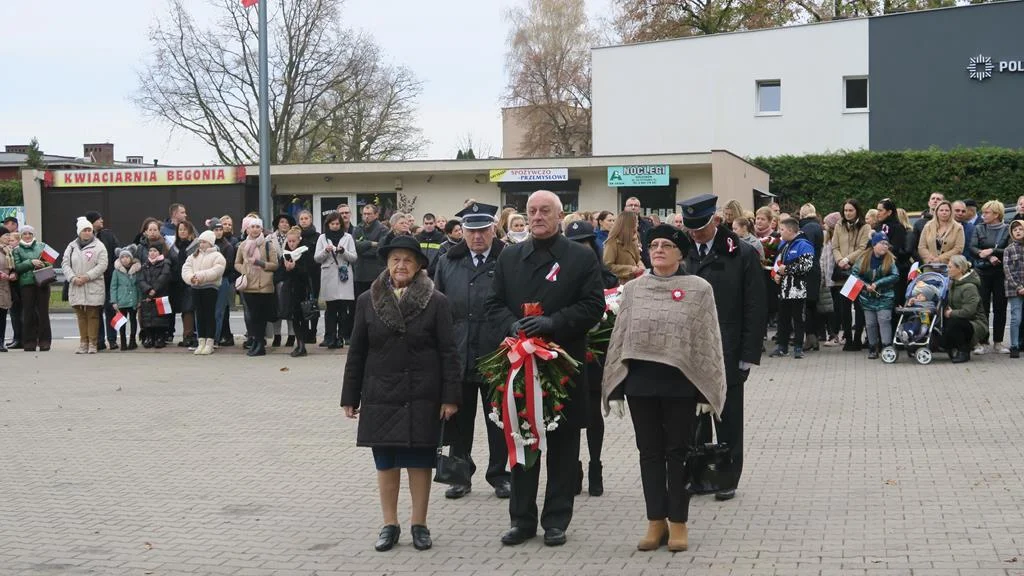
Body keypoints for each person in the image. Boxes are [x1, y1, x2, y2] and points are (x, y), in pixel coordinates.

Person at [485, 190, 604, 547]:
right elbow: (493, 303)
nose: (537, 217)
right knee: (523, 443)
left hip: (562, 364)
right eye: (532, 211)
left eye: (545, 211)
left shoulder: (580, 257)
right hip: (519, 365)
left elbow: (594, 306)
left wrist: (553, 323)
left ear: (559, 215)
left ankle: (556, 520)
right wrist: (512, 327)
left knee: (564, 446)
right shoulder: (509, 257)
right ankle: (522, 520)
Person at [603, 224, 726, 552]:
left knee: (678, 453)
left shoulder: (699, 289)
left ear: (680, 253)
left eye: (666, 246)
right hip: (641, 383)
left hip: (680, 385)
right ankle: (655, 520)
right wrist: (615, 389)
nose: (658, 250)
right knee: (649, 454)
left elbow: (707, 341)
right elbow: (619, 339)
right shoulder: (633, 289)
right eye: (653, 245)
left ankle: (679, 522)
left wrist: (706, 391)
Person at [341, 234, 460, 552]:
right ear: (387, 264)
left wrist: (450, 396)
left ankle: (419, 524)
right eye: (395, 259)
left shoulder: (437, 301)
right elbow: (357, 352)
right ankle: (389, 525)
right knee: (386, 463)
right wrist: (350, 396)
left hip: (423, 395)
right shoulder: (368, 299)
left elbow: (450, 352)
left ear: (420, 265)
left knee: (420, 463)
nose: (401, 265)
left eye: (408, 259)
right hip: (380, 393)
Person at [681, 194, 765, 500]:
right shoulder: (682, 252)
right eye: (691, 228)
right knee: (692, 419)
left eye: (700, 228)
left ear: (715, 221)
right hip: (689, 350)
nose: (695, 234)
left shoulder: (740, 254)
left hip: (727, 347)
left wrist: (748, 355)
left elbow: (755, 307)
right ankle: (698, 476)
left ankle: (727, 477)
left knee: (728, 418)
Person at [433, 202, 511, 501]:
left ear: (494, 229)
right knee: (458, 420)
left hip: (496, 352)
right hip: (458, 351)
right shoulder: (447, 261)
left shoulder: (508, 260)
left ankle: (499, 475)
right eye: (471, 231)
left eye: (483, 230)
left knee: (498, 420)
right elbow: (437, 307)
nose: (477, 237)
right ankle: (459, 474)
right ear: (462, 233)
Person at [564, 220, 618, 497]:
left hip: (595, 354)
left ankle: (595, 466)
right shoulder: (557, 274)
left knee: (594, 412)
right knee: (570, 413)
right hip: (566, 352)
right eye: (574, 243)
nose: (580, 248)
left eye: (585, 242)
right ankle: (573, 468)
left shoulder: (606, 277)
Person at [969, 200, 1010, 355]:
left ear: (996, 214)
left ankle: (998, 342)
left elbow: (1009, 249)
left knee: (1000, 307)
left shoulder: (1007, 229)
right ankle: (982, 341)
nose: (983, 215)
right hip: (982, 273)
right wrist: (985, 255)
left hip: (1001, 273)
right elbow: (972, 247)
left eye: (986, 212)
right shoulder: (979, 228)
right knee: (982, 308)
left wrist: (992, 252)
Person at [769, 218, 814, 359]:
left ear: (790, 230)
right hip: (784, 289)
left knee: (798, 319)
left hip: (798, 289)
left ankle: (798, 347)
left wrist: (786, 269)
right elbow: (778, 264)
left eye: (781, 230)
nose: (779, 232)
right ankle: (782, 347)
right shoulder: (785, 245)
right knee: (783, 319)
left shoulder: (804, 245)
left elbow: (806, 266)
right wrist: (776, 275)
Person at [235, 218, 280, 357]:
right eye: (252, 226)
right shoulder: (243, 245)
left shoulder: (267, 244)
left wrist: (260, 263)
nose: (254, 229)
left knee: (261, 317)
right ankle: (255, 342)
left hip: (264, 286)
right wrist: (245, 270)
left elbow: (275, 265)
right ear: (247, 229)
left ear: (261, 229)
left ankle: (260, 344)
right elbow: (237, 263)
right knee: (252, 318)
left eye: (257, 227)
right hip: (248, 285)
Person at [831, 199, 871, 351]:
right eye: (846, 210)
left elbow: (863, 248)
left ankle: (857, 338)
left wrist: (848, 259)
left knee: (859, 307)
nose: (847, 213)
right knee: (844, 307)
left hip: (857, 271)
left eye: (851, 210)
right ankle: (847, 337)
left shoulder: (865, 227)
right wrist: (840, 260)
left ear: (857, 211)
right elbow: (834, 246)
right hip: (842, 272)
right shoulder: (839, 225)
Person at [851, 232, 898, 360]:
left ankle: (886, 347)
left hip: (885, 296)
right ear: (874, 245)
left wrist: (877, 283)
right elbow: (854, 274)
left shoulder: (890, 260)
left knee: (884, 320)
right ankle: (872, 347)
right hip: (867, 296)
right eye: (881, 243)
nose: (885, 246)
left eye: (886, 244)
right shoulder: (863, 259)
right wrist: (865, 285)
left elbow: (895, 276)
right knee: (870, 323)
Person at [315, 212, 358, 349]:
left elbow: (354, 257)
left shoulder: (348, 237)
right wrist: (326, 251)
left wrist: (343, 251)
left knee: (343, 309)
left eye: (337, 224)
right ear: (328, 224)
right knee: (330, 309)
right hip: (329, 275)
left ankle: (341, 337)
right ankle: (329, 337)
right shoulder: (322, 238)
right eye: (332, 224)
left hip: (343, 275)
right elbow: (317, 258)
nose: (335, 226)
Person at [182, 230, 226, 356]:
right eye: (200, 242)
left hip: (210, 288)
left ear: (211, 243)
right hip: (196, 288)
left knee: (209, 314)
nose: (201, 244)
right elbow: (186, 268)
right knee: (199, 315)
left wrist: (200, 276)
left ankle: (210, 342)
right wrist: (191, 278)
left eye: (204, 242)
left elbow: (217, 271)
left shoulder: (218, 256)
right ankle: (201, 341)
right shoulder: (193, 255)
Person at [12, 225, 55, 352]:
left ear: (33, 234)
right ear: (21, 235)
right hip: (26, 284)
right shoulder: (17, 250)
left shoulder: (42, 246)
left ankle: (45, 342)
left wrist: (43, 263)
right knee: (28, 313)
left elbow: (50, 262)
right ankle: (29, 342)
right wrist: (31, 262)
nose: (27, 236)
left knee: (43, 313)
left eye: (29, 233)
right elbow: (17, 267)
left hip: (42, 282)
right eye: (24, 233)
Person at [84, 211, 119, 351]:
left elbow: (116, 251)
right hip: (93, 280)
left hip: (109, 278)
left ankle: (112, 339)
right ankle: (98, 340)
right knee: (96, 310)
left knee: (110, 309)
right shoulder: (85, 238)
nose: (102, 221)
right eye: (99, 219)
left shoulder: (108, 235)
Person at [944, 255, 988, 363]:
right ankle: (952, 348)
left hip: (975, 322)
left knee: (954, 323)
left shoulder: (970, 287)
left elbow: (969, 311)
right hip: (961, 319)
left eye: (950, 267)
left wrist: (951, 313)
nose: (947, 269)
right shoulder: (952, 283)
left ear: (959, 269)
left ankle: (964, 351)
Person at [281, 226, 314, 357]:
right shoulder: (285, 254)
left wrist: (295, 267)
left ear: (299, 240)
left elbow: (308, 271)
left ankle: (302, 345)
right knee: (294, 317)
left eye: (293, 241)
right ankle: (299, 344)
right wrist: (286, 269)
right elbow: (281, 273)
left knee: (303, 317)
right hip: (290, 289)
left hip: (302, 289)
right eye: (289, 241)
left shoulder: (305, 252)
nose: (291, 244)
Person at [798, 204, 824, 351]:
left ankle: (809, 337)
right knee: (813, 304)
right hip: (815, 268)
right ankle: (814, 336)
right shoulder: (818, 227)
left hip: (807, 269)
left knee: (806, 305)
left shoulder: (805, 229)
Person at [137, 243, 172, 349]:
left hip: (161, 295)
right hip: (147, 296)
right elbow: (140, 279)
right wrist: (148, 289)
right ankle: (149, 337)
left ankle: (160, 337)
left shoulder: (165, 263)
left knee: (161, 318)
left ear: (159, 252)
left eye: (155, 251)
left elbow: (164, 277)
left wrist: (154, 290)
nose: (152, 253)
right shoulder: (145, 265)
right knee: (148, 317)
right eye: (150, 251)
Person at [169, 220, 198, 348]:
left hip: (191, 283)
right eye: (180, 229)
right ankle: (186, 335)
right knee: (181, 309)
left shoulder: (195, 246)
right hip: (176, 284)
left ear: (190, 231)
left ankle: (189, 336)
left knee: (189, 310)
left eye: (185, 229)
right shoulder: (173, 247)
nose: (182, 232)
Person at [269, 213, 296, 348]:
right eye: (282, 222)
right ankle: (277, 335)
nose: (284, 224)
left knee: (289, 308)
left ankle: (291, 336)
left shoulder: (293, 238)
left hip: (289, 276)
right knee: (275, 309)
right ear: (277, 224)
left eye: (286, 222)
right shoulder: (269, 238)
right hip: (274, 276)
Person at [209, 218, 238, 347]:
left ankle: (216, 338)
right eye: (216, 230)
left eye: (221, 230)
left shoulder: (227, 246)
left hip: (222, 280)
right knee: (208, 311)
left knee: (219, 312)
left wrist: (213, 270)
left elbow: (228, 265)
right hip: (208, 281)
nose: (219, 232)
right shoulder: (206, 244)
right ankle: (207, 337)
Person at [110, 245, 141, 351]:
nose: (125, 259)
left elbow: (138, 286)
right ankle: (123, 342)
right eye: (122, 257)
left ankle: (132, 341)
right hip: (121, 301)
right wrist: (114, 301)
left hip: (133, 300)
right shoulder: (116, 271)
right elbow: (113, 287)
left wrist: (139, 300)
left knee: (133, 320)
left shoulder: (136, 270)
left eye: (127, 257)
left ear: (131, 258)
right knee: (122, 322)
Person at [354, 204, 387, 299]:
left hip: (375, 274)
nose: (366, 216)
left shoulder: (383, 230)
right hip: (360, 273)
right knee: (360, 302)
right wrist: (370, 244)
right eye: (364, 214)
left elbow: (380, 249)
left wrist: (362, 247)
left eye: (369, 214)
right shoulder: (358, 229)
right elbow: (354, 247)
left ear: (376, 215)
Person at [603, 211, 645, 285]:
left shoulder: (634, 239)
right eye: (636, 223)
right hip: (620, 284)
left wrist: (640, 264)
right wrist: (630, 269)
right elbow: (608, 266)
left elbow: (637, 258)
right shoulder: (612, 242)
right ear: (628, 224)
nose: (637, 225)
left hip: (636, 281)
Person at [917, 200, 964, 265]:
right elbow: (921, 246)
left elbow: (958, 248)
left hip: (950, 266)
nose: (944, 212)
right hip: (930, 265)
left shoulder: (958, 227)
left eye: (947, 210)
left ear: (951, 212)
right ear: (936, 212)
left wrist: (940, 259)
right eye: (941, 210)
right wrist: (930, 258)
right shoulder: (928, 226)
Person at [1002, 220, 1024, 358]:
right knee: (1016, 317)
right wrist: (1019, 286)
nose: (1018, 231)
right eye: (1015, 230)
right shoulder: (1008, 249)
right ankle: (1014, 345)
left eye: (1021, 229)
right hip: (1014, 289)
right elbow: (1008, 270)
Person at [910, 192, 946, 261]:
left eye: (938, 199)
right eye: (933, 198)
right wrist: (921, 260)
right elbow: (913, 247)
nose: (935, 201)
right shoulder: (919, 223)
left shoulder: (949, 223)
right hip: (925, 263)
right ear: (929, 203)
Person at [4, 230, 21, 349]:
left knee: (17, 314)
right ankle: (17, 337)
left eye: (12, 240)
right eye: (8, 240)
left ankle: (19, 338)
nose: (10, 242)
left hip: (16, 286)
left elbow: (16, 267)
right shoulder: (8, 251)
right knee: (14, 314)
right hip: (9, 285)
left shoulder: (16, 252)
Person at [623, 196, 652, 267]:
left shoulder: (648, 225)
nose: (633, 207)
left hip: (646, 264)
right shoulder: (619, 224)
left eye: (636, 205)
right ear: (625, 208)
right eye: (630, 205)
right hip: (626, 265)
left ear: (639, 209)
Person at [0, 233, 14, 351]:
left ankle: (1, 342)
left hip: (5, 287)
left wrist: (14, 273)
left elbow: (13, 266)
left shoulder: (9, 251)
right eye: (6, 235)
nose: (8, 238)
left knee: (2, 316)